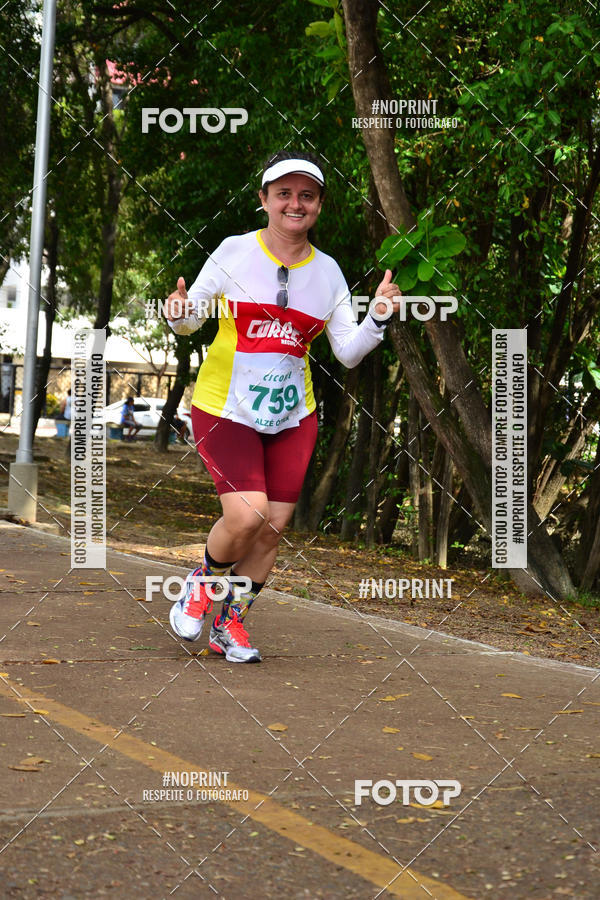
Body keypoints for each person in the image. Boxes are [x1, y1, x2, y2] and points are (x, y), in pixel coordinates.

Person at [163, 149, 400, 663]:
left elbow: (347, 352)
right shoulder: (233, 252)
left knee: (271, 528)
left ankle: (229, 625)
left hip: (293, 415)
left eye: (307, 195)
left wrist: (377, 318)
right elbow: (190, 321)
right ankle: (201, 583)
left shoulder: (330, 274)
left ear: (318, 205)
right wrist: (177, 312)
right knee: (247, 514)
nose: (296, 203)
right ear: (264, 200)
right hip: (225, 406)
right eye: (284, 193)